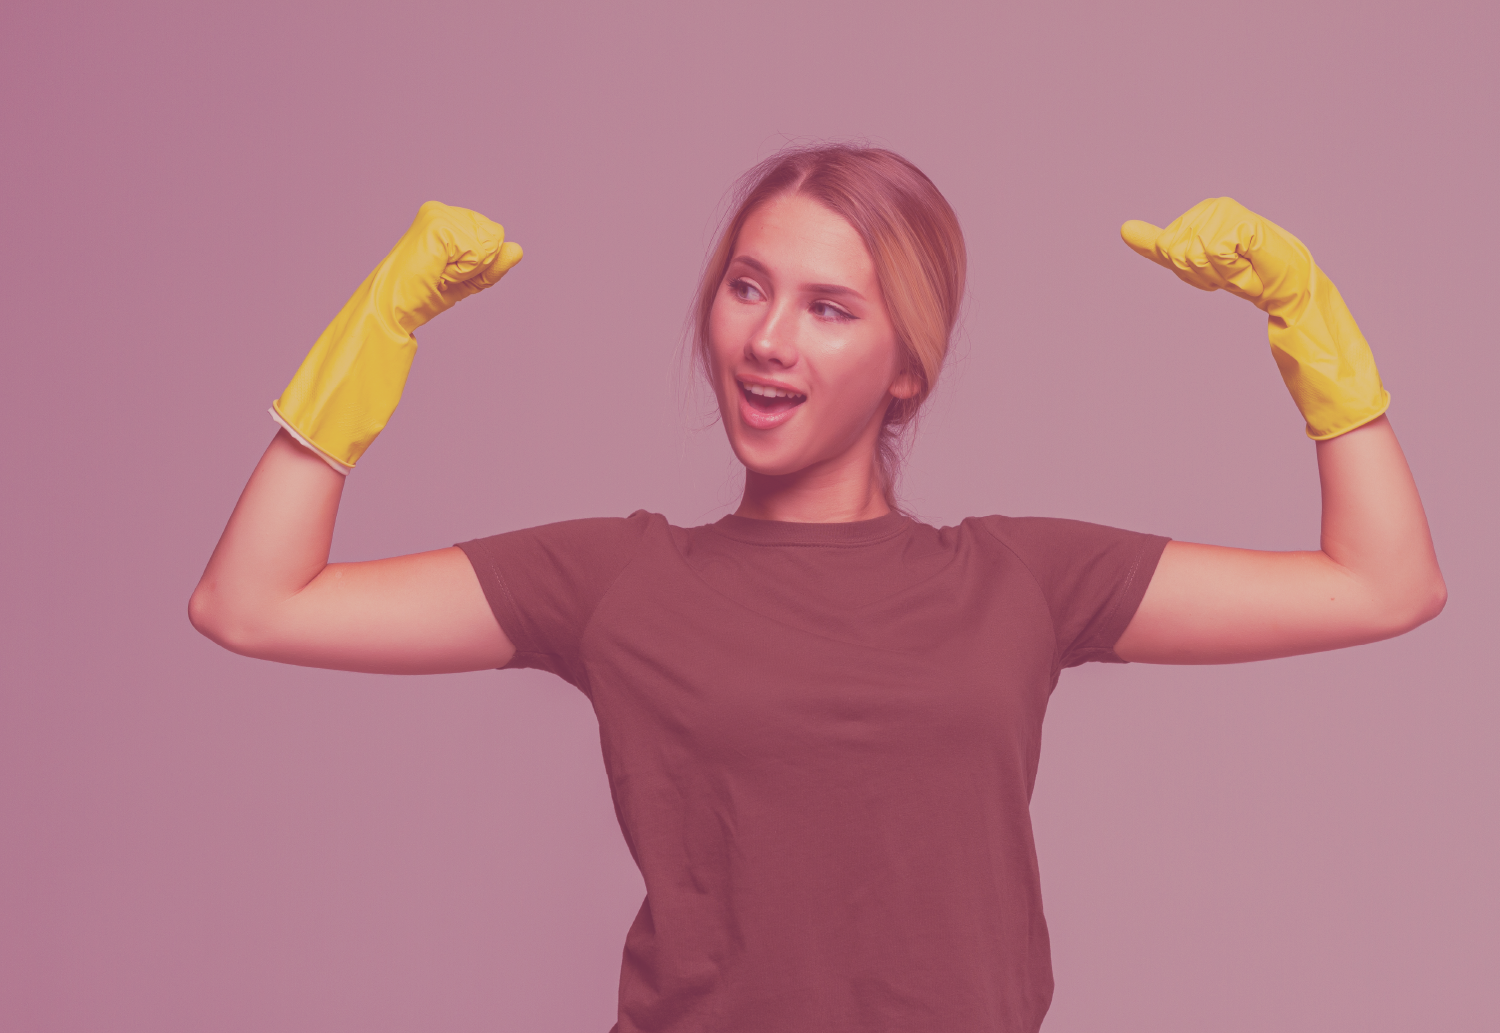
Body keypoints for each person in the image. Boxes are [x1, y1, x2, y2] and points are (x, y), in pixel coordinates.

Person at [189, 145, 1445, 1033]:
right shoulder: (616, 580)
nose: (769, 338)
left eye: (830, 307)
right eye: (748, 287)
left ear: (910, 366)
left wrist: (1309, 328)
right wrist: (373, 339)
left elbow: (1383, 584)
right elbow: (254, 602)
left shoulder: (1019, 579)